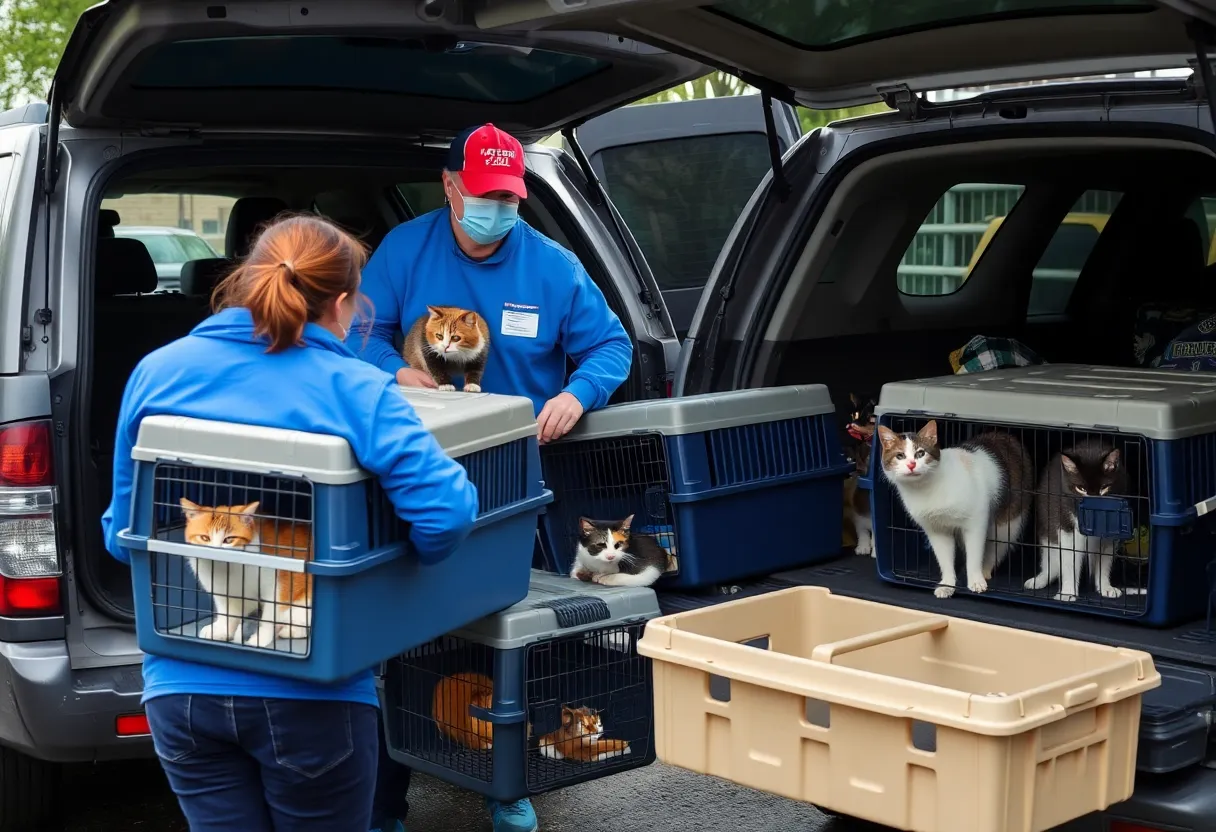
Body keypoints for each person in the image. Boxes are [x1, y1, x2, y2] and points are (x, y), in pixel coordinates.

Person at [102, 215, 480, 831]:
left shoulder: (157, 370)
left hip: (180, 689)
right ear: (341, 303)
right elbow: (445, 514)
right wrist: (383, 569)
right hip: (314, 692)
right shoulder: (357, 385)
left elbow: (123, 540)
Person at [355, 124, 633, 832]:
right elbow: (355, 335)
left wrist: (578, 394)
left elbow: (610, 345)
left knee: (511, 639)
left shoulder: (553, 266)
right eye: (484, 195)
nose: (498, 211)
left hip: (517, 486)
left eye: (509, 197)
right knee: (404, 639)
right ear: (449, 187)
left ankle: (508, 780)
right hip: (414, 478)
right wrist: (396, 372)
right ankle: (385, 801)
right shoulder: (403, 251)